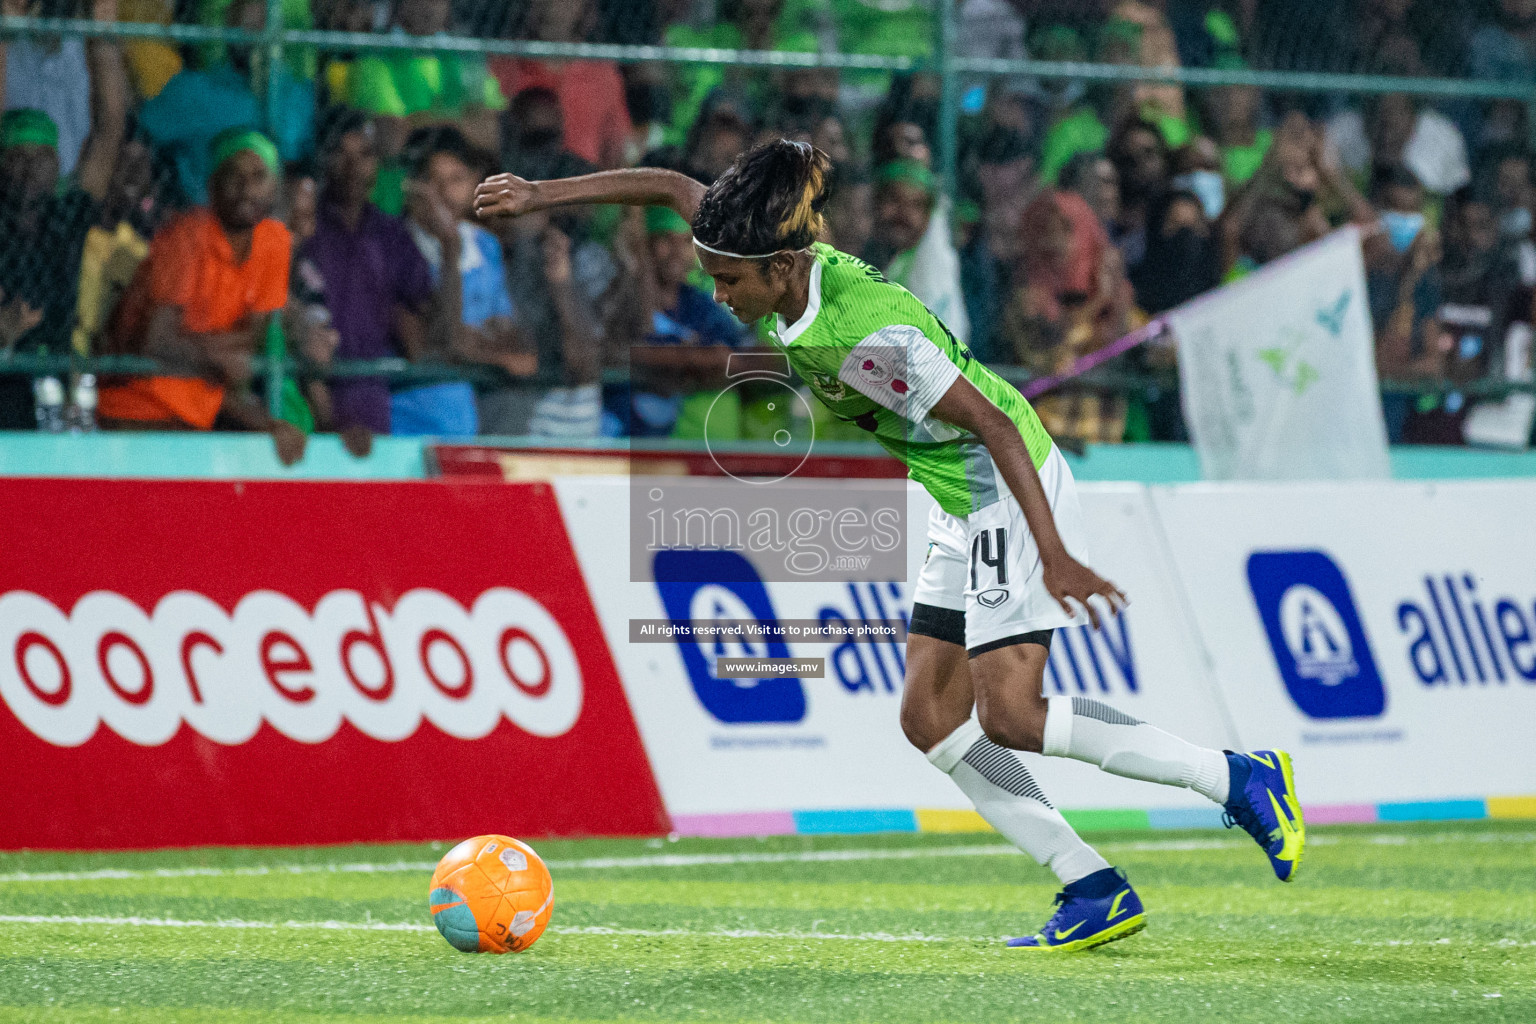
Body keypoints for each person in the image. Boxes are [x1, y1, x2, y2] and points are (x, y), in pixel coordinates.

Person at [474, 139, 1307, 950]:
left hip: (1006, 489)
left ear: (782, 267)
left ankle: (1235, 778)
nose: (717, 290)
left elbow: (994, 426)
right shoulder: (758, 244)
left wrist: (1051, 553)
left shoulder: (862, 336)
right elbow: (664, 183)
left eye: (728, 280)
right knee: (930, 717)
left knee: (1011, 714)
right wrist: (541, 195)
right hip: (954, 495)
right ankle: (1090, 884)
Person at [96, 128, 305, 465]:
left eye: (258, 177)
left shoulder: (275, 243)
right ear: (212, 187)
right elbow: (155, 341)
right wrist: (213, 355)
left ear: (275, 188)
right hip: (140, 407)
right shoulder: (187, 237)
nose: (247, 189)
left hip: (201, 408)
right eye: (233, 177)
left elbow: (249, 344)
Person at [0, 2, 127, 427]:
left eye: (42, 156)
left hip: (53, 368)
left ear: (59, 165)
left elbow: (109, 128)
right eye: (17, 155)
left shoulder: (65, 215)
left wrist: (102, 36)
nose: (30, 166)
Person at [397, 125, 536, 436]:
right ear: (415, 185)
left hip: (484, 391)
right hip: (425, 397)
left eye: (457, 179)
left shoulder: (485, 245)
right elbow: (440, 339)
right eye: (434, 181)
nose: (445, 193)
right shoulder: (400, 245)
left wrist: (480, 341)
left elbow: (504, 326)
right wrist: (489, 351)